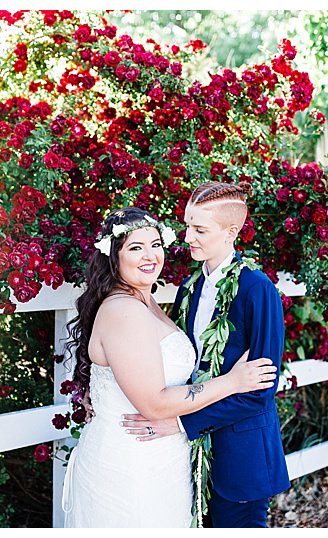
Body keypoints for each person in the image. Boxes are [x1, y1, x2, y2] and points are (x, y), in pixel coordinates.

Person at [61, 207, 277, 528]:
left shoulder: (149, 303)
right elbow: (155, 403)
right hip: (132, 465)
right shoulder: (125, 310)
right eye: (136, 248)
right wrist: (232, 382)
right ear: (113, 256)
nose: (150, 256)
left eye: (156, 245)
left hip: (160, 460)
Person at [121, 182, 291, 527]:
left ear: (231, 232)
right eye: (187, 226)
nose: (187, 238)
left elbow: (259, 392)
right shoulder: (190, 287)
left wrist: (183, 423)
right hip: (189, 456)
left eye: (199, 229)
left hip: (240, 454)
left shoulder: (258, 290)